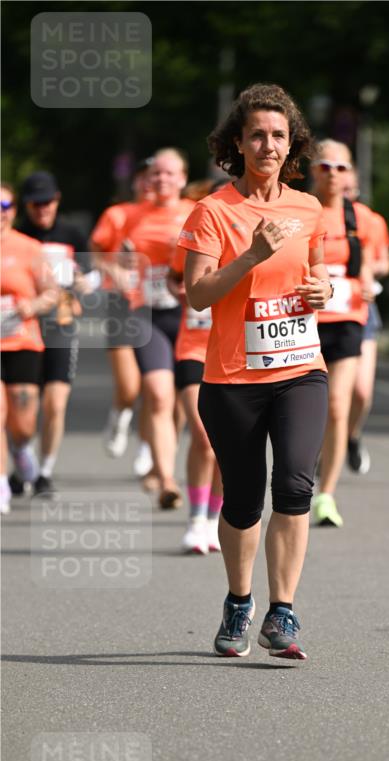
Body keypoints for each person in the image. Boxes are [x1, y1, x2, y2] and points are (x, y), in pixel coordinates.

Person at [179, 82, 333, 659]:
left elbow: (316, 275)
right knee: (243, 500)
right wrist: (251, 255)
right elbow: (197, 294)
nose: (268, 145)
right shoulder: (214, 211)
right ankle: (239, 600)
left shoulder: (308, 207)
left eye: (278, 135)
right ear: (237, 144)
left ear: (292, 144)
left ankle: (283, 612)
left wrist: (323, 289)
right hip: (233, 379)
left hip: (300, 369)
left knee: (294, 484)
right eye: (257, 136)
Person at [119, 149, 195, 509]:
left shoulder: (198, 213)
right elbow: (105, 255)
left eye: (170, 174)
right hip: (145, 314)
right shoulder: (130, 216)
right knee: (159, 394)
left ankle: (165, 460)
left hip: (188, 316)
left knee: (185, 402)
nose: (162, 179)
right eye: (156, 174)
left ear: (182, 178)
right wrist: (118, 268)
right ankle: (167, 479)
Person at [309, 140, 375, 527]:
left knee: (338, 405)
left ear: (350, 174)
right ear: (311, 170)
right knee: (307, 408)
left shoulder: (365, 219)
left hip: (348, 318)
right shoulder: (300, 211)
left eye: (340, 167)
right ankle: (304, 467)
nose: (332, 174)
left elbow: (373, 262)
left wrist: (366, 278)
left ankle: (327, 495)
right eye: (324, 166)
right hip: (303, 322)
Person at [15, 171, 88, 497]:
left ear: (57, 200)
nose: (42, 208)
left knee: (55, 404)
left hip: (60, 323)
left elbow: (92, 277)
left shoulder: (72, 233)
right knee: (21, 407)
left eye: (47, 202)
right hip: (21, 328)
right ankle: (21, 462)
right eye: (35, 203)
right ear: (25, 205)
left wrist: (84, 284)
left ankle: (43, 472)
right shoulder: (16, 235)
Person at [168, 179, 225, 555]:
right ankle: (194, 520)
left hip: (235, 355)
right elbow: (175, 280)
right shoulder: (197, 236)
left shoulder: (260, 247)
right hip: (193, 349)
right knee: (203, 435)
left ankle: (212, 519)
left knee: (227, 447)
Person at [89, 158, 155, 471]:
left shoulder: (173, 215)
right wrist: (111, 268)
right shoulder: (117, 215)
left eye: (152, 177)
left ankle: (146, 445)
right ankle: (120, 414)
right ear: (134, 182)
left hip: (157, 306)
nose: (148, 184)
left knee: (155, 386)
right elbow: (96, 254)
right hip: (121, 303)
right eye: (142, 177)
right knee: (130, 386)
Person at [1, 182, 58, 513]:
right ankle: (1, 488)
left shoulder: (30, 248)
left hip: (22, 339)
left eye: (4, 206)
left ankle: (22, 448)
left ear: (13, 211)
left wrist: (31, 306)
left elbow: (51, 292)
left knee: (22, 422)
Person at [342, 166, 389, 475]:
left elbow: (385, 262)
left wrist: (368, 270)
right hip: (324, 310)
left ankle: (351, 435)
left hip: (362, 306)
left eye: (350, 190)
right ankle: (323, 442)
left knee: (361, 392)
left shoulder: (371, 220)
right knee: (327, 391)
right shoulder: (313, 214)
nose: (344, 196)